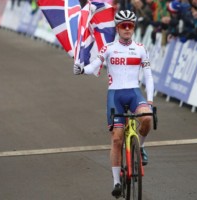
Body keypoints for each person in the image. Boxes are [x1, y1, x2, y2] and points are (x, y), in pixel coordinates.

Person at [73, 10, 155, 198]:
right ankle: (117, 181)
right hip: (115, 95)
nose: (127, 29)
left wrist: (149, 101)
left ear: (133, 28)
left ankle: (141, 148)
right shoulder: (108, 48)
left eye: (130, 26)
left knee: (147, 118)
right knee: (117, 138)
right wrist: (81, 69)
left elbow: (149, 77)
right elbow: (94, 67)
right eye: (123, 26)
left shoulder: (141, 48)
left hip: (134, 93)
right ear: (117, 28)